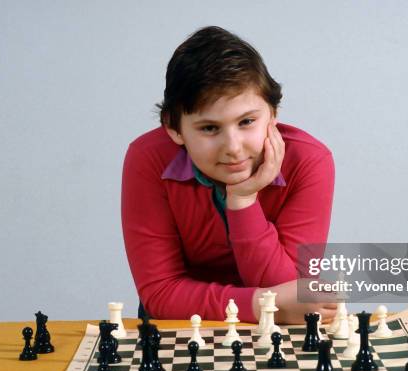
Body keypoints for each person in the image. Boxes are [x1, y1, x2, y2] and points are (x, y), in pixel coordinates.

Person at [121, 26, 336, 324]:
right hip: (181, 327)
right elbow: (159, 294)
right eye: (209, 128)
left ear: (273, 114)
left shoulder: (309, 161)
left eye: (247, 121)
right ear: (173, 127)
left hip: (276, 332)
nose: (233, 148)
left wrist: (243, 200)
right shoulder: (148, 158)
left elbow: (296, 291)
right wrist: (263, 304)